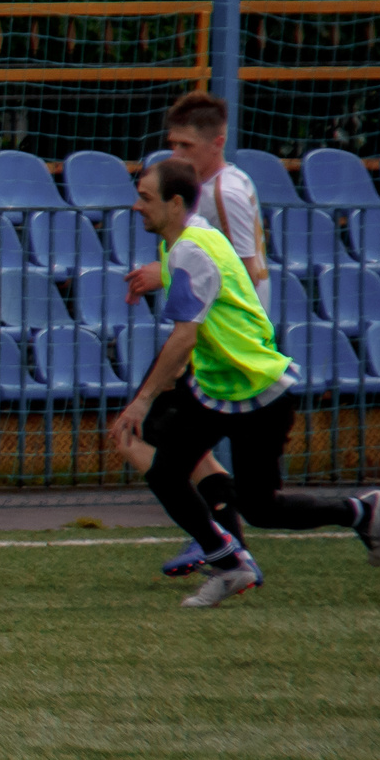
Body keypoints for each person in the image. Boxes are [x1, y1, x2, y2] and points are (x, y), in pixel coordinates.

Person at [108, 157, 380, 606]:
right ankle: (230, 564)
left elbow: (185, 336)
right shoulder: (183, 242)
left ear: (175, 203)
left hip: (257, 390)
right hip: (218, 389)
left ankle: (358, 511)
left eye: (145, 198)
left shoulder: (190, 249)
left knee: (261, 507)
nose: (136, 206)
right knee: (166, 472)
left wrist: (142, 400)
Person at [123, 93, 271, 580]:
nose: (177, 155)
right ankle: (220, 539)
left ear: (217, 143)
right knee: (179, 447)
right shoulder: (218, 188)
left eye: (186, 146)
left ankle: (221, 542)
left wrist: (215, 339)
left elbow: (239, 273)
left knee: (141, 434)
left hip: (225, 347)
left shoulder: (224, 193)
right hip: (218, 342)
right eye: (173, 145)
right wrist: (165, 273)